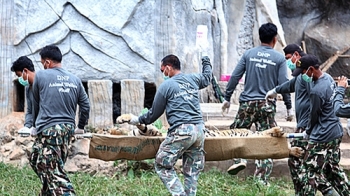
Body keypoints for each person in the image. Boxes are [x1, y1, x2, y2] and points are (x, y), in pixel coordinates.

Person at [126, 54, 212, 195]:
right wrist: (206, 60)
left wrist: (137, 120)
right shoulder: (193, 79)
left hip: (182, 130)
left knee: (162, 164)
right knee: (191, 171)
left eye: (162, 70)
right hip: (200, 130)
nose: (162, 74)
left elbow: (153, 114)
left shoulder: (166, 86)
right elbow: (207, 77)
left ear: (168, 68)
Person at [221, 22, 292, 185]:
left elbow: (234, 76)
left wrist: (227, 98)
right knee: (266, 140)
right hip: (266, 105)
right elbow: (284, 84)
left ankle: (239, 159)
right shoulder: (279, 58)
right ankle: (261, 179)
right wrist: (289, 107)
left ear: (259, 38)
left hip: (247, 103)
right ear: (275, 39)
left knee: (236, 132)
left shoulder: (249, 54)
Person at [31, 45, 90, 195]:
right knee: (36, 158)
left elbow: (35, 104)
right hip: (67, 129)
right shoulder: (75, 79)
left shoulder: (40, 76)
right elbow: (85, 105)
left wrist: (33, 125)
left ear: (47, 62)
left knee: (53, 170)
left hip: (49, 129)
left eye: (42, 62)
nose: (42, 65)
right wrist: (81, 126)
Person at [293, 54, 349, 196]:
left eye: (303, 72)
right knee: (332, 169)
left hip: (322, 135)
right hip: (335, 132)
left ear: (311, 69)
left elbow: (314, 114)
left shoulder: (316, 91)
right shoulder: (329, 78)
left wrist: (308, 131)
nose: (302, 76)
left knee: (307, 173)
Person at [265, 44, 310, 195]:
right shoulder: (300, 73)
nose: (288, 63)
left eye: (288, 58)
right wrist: (275, 90)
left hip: (307, 126)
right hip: (304, 125)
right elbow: (292, 84)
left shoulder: (308, 73)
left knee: (296, 160)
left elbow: (317, 98)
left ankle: (303, 192)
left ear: (296, 55)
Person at [10, 56, 36, 135]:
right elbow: (29, 110)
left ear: (25, 71)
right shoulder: (28, 88)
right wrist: (27, 126)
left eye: (19, 75)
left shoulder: (42, 85)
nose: (19, 79)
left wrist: (37, 126)